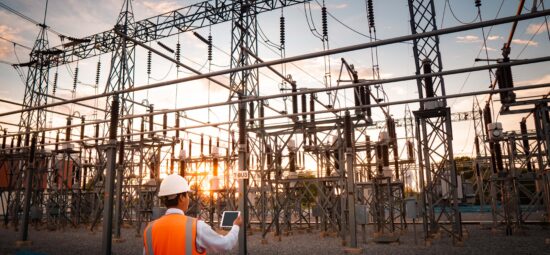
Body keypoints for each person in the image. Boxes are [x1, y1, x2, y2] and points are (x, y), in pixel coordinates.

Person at [143, 174, 241, 255]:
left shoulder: (149, 230)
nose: (189, 198)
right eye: (187, 195)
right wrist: (236, 226)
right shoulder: (196, 226)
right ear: (181, 197)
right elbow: (225, 244)